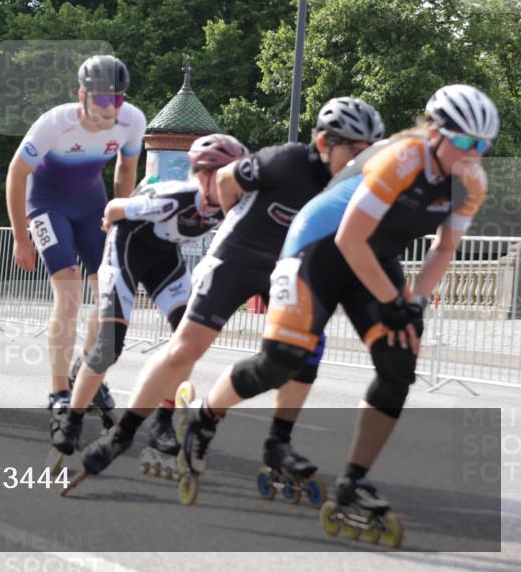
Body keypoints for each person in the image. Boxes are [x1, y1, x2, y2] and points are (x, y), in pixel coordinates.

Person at [181, 85, 495, 538]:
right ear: (435, 132)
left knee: (398, 364)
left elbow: (445, 248)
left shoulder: (472, 182)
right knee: (282, 361)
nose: (473, 154)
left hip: (373, 256)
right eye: (465, 142)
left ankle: (354, 481)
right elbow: (349, 239)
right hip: (318, 248)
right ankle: (206, 415)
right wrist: (391, 302)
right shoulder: (400, 159)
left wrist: (415, 304)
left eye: (482, 146)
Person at [74, 97, 385, 484]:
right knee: (186, 348)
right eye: (353, 150)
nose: (361, 158)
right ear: (324, 144)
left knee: (304, 353)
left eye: (367, 151)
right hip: (235, 259)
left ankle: (278, 443)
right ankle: (122, 435)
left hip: (284, 270)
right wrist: (233, 216)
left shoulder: (357, 184)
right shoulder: (286, 161)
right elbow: (223, 180)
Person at [52, 135, 247, 476]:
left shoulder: (233, 204)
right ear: (200, 176)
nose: (232, 184)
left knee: (187, 342)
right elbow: (113, 209)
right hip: (125, 250)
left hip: (163, 260)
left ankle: (162, 422)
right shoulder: (172, 197)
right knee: (109, 346)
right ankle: (72, 419)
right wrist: (108, 223)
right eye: (222, 176)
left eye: (235, 175)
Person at [5, 54, 146, 432]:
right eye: (100, 100)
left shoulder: (132, 121)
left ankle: (86, 365)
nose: (109, 110)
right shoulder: (55, 123)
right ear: (81, 95)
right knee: (68, 293)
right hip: (46, 204)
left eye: (116, 100)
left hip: (91, 204)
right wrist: (21, 237)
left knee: (107, 295)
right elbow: (17, 175)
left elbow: (127, 168)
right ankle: (59, 394)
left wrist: (119, 216)